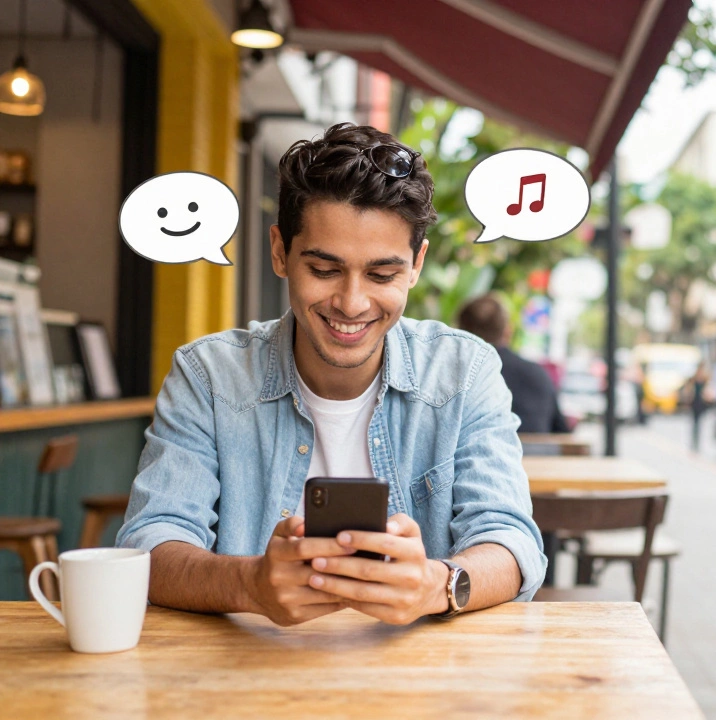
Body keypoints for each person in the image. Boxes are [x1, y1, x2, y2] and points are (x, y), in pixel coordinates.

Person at [117, 123, 546, 627]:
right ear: (280, 252)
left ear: (416, 265)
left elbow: (511, 542)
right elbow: (149, 546)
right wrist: (249, 585)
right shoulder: (209, 376)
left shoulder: (464, 372)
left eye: (383, 275)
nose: (352, 302)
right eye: (324, 270)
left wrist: (438, 584)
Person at [456, 295, 569, 434]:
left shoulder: (454, 375)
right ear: (507, 331)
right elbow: (561, 430)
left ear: (460, 330)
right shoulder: (538, 374)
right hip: (535, 455)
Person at [684, 363, 713, 451]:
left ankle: (697, 442)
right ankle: (694, 442)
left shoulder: (705, 379)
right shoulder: (693, 379)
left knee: (699, 423)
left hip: (701, 403)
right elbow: (688, 390)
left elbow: (709, 390)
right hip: (694, 403)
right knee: (695, 423)